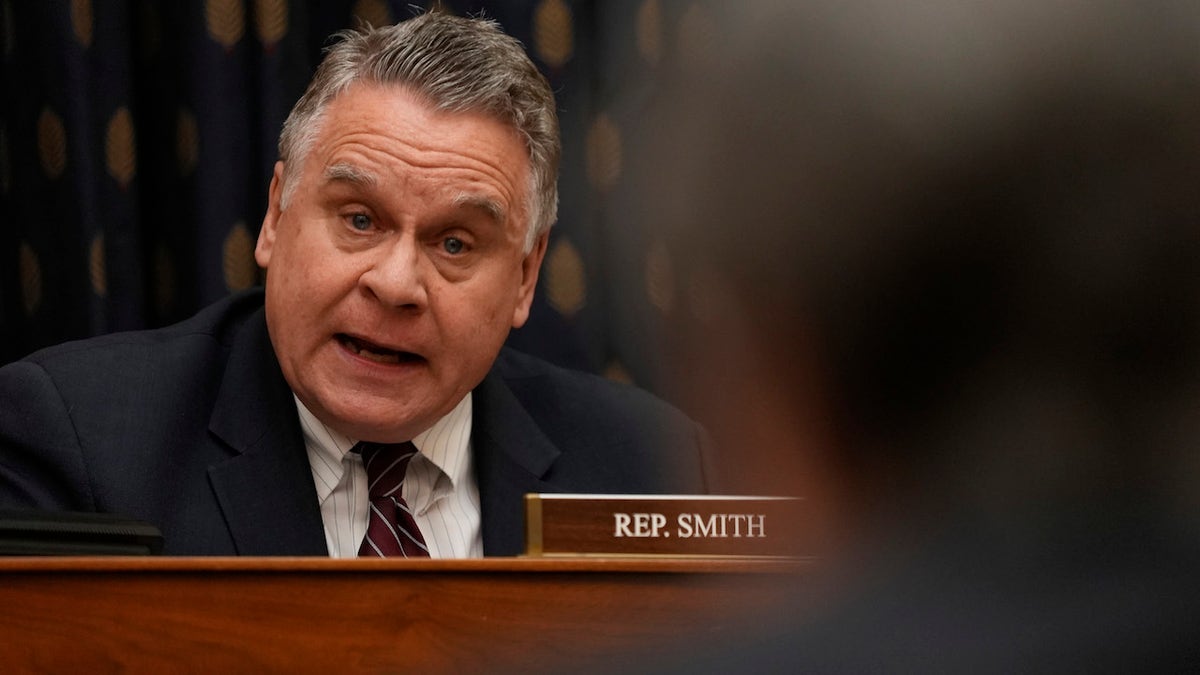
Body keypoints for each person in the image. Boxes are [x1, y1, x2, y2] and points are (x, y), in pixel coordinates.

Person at [0, 12, 712, 557]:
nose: (397, 283)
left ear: (527, 276)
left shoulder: (654, 466)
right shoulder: (78, 444)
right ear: (276, 216)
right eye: (361, 219)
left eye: (455, 242)